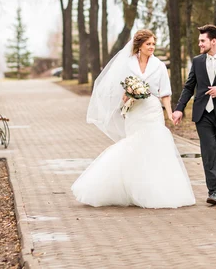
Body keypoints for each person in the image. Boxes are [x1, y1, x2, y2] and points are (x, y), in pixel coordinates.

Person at [72, 29, 195, 208]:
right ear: (139, 46)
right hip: (134, 111)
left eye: (153, 44)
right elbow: (117, 89)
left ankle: (156, 190)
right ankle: (132, 189)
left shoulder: (159, 66)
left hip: (153, 110)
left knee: (155, 147)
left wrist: (170, 113)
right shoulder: (127, 63)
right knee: (135, 147)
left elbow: (165, 93)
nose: (152, 47)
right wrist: (127, 97)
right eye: (148, 44)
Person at [172, 25, 216, 205]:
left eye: (202, 41)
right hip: (203, 114)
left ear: (213, 41)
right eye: (199, 41)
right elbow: (189, 87)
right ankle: (213, 191)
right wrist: (179, 108)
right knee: (208, 151)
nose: (199, 44)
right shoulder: (197, 61)